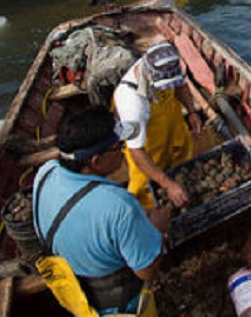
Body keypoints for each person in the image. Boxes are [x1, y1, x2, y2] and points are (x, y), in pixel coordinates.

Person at [33, 105, 171, 314]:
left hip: (74, 298)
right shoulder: (119, 207)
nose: (125, 152)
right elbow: (146, 270)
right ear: (95, 161)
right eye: (119, 147)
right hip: (121, 308)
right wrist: (158, 229)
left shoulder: (45, 172)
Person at [113, 42, 196, 210]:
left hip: (172, 127)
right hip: (148, 147)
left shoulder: (168, 64)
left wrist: (192, 111)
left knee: (184, 164)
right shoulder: (132, 103)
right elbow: (137, 152)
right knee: (145, 191)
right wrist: (167, 185)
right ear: (150, 74)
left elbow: (181, 85)